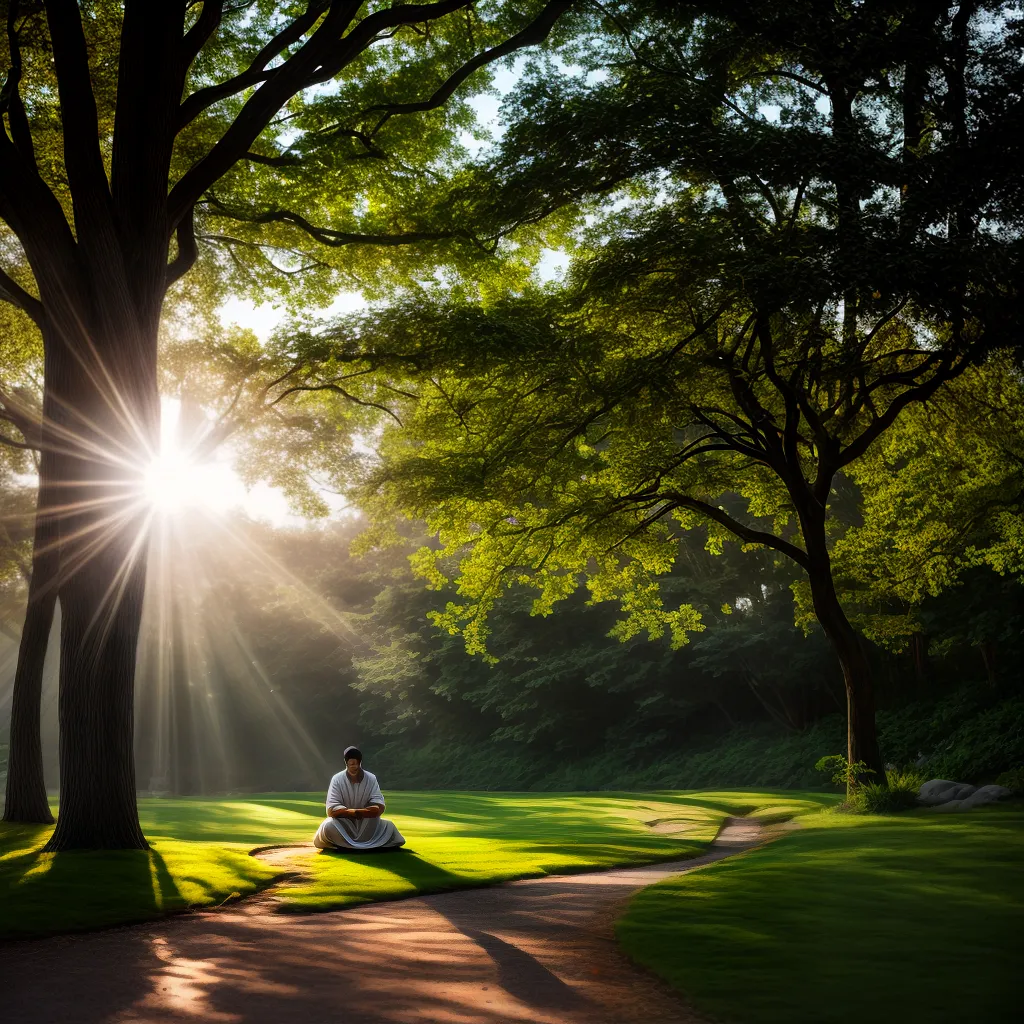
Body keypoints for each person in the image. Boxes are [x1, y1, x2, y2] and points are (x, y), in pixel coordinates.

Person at [312, 746, 406, 852]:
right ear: (346, 763)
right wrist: (351, 812)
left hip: (367, 823)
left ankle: (347, 846)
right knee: (328, 826)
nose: (355, 767)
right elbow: (331, 808)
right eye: (352, 764)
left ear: (360, 763)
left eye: (357, 764)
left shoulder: (371, 778)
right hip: (344, 823)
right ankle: (352, 845)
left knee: (390, 827)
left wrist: (360, 812)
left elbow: (378, 806)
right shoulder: (337, 779)